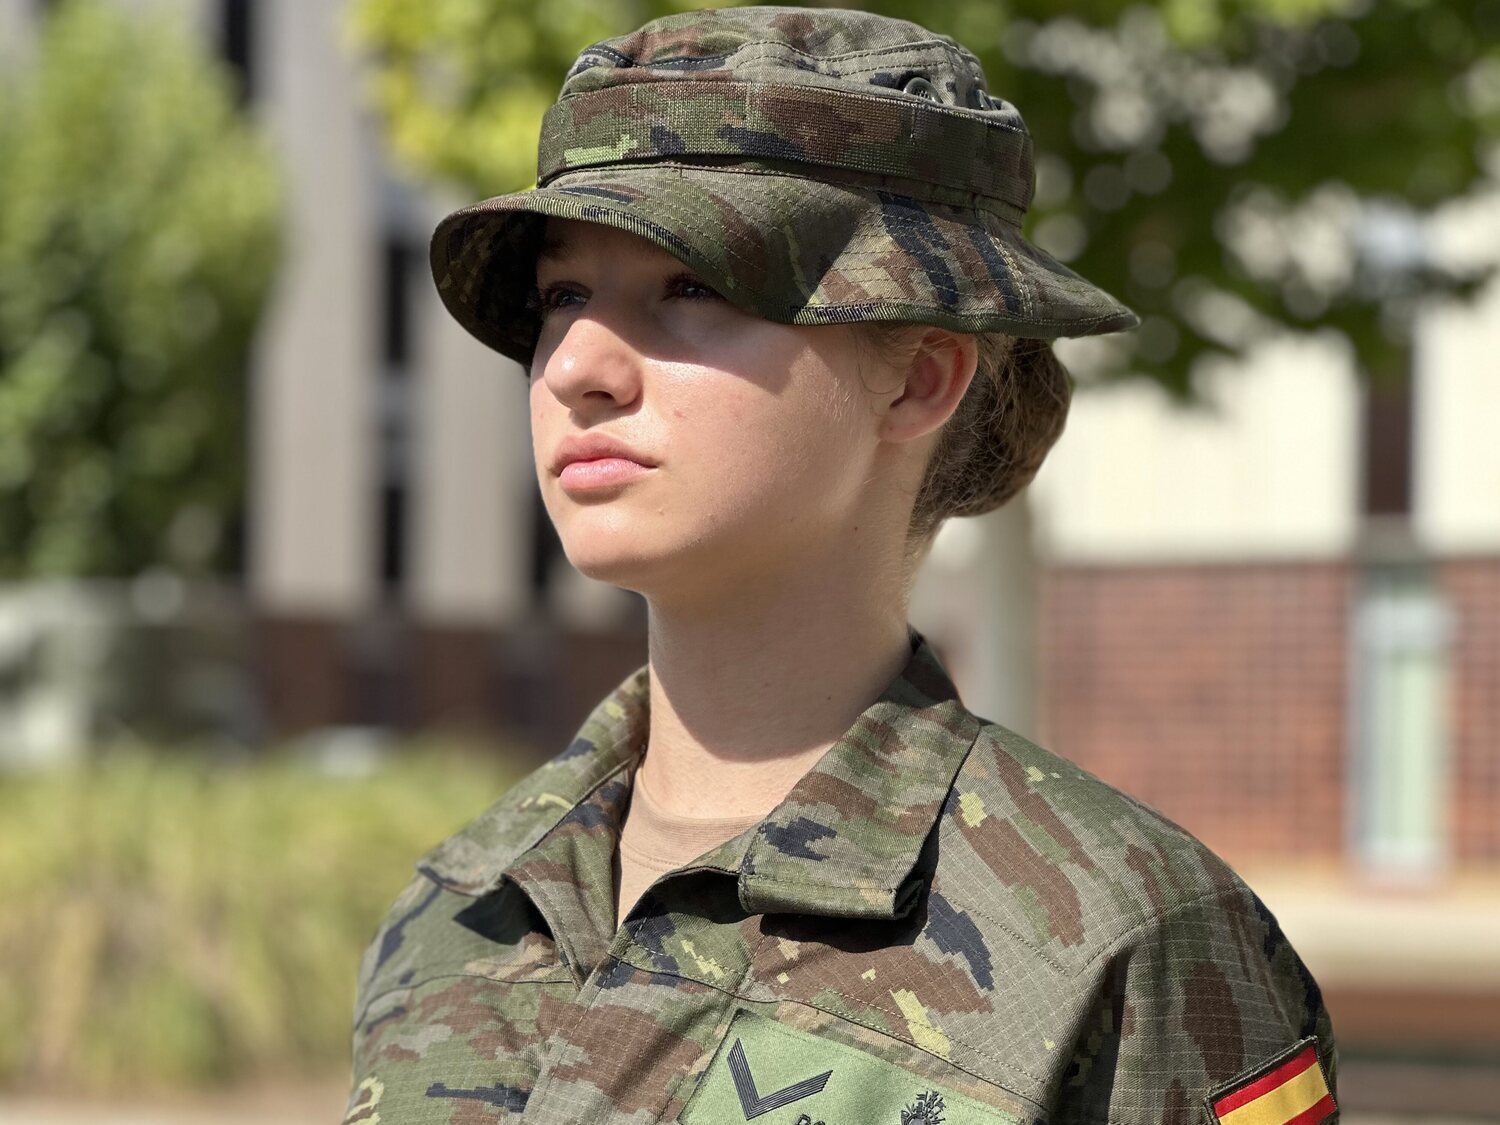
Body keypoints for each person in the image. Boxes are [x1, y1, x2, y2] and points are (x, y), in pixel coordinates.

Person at [342, 8, 1340, 1125]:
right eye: (562, 295)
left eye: (689, 286)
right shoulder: (463, 906)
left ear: (918, 379)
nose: (576, 364)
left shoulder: (1128, 943)